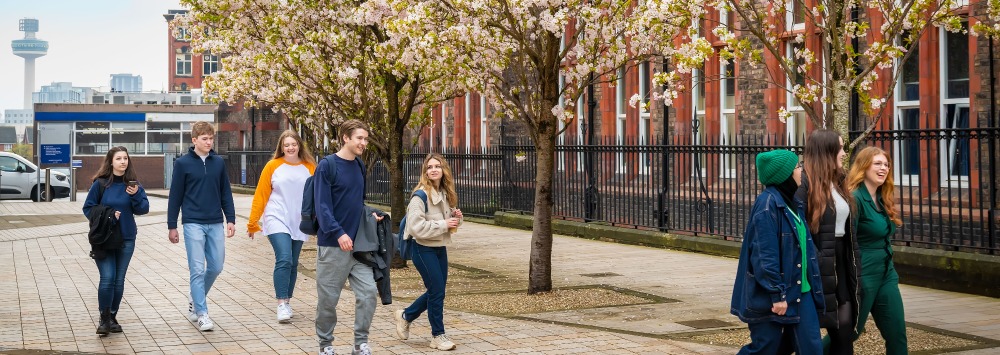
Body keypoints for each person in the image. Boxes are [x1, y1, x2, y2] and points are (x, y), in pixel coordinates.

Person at [732, 149, 824, 354]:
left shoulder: (793, 203)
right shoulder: (767, 205)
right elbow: (765, 256)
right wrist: (777, 294)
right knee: (765, 347)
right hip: (775, 294)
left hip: (801, 290)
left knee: (812, 348)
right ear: (785, 175)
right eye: (797, 167)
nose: (801, 170)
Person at [315, 119, 384, 355]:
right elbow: (322, 207)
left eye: (365, 139)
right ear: (346, 137)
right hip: (334, 245)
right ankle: (325, 345)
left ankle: (360, 343)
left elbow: (357, 203)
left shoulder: (360, 166)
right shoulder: (327, 166)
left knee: (368, 294)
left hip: (359, 247)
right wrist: (339, 233)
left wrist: (370, 216)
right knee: (328, 301)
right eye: (359, 138)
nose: (364, 143)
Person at [795, 129, 861, 354]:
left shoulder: (839, 181)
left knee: (844, 334)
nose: (844, 153)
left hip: (841, 263)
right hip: (818, 268)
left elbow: (848, 231)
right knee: (795, 341)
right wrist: (818, 257)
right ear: (826, 152)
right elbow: (798, 230)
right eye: (840, 148)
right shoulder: (804, 184)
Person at [167, 121, 236, 332]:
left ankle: (195, 298)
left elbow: (226, 191)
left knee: (216, 267)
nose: (209, 142)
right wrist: (172, 225)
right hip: (193, 223)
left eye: (211, 138)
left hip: (215, 222)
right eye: (204, 138)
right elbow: (175, 195)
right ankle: (202, 313)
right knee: (197, 269)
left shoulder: (218, 163)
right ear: (194, 140)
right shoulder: (182, 164)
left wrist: (230, 219)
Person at [394, 153, 464, 351]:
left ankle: (406, 315)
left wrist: (456, 217)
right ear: (425, 171)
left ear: (444, 170)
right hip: (422, 248)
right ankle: (437, 335)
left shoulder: (444, 192)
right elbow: (416, 227)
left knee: (437, 291)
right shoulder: (420, 196)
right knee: (437, 291)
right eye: (429, 167)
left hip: (439, 247)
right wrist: (444, 223)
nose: (433, 169)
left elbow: (449, 223)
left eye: (437, 166)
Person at [247, 130, 316, 323]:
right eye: (286, 145)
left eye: (293, 144)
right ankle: (281, 304)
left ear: (299, 146)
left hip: (300, 221)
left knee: (293, 263)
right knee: (284, 258)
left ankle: (287, 300)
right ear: (281, 147)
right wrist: (253, 222)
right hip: (276, 217)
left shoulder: (310, 167)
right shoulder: (273, 166)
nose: (290, 148)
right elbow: (261, 195)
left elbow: (319, 194)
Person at [845, 146, 908, 354]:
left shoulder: (882, 197)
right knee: (850, 333)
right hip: (864, 274)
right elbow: (846, 242)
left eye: (886, 164)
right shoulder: (854, 199)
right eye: (878, 164)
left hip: (886, 272)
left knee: (897, 332)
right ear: (864, 167)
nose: (884, 168)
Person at [82, 146, 150, 335]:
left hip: (127, 238)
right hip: (104, 238)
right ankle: (103, 320)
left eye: (125, 158)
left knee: (119, 280)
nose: (122, 161)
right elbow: (88, 208)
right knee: (108, 278)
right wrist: (109, 215)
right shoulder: (101, 184)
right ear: (111, 162)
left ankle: (112, 316)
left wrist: (135, 194)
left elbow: (143, 209)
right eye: (118, 158)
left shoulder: (133, 185)